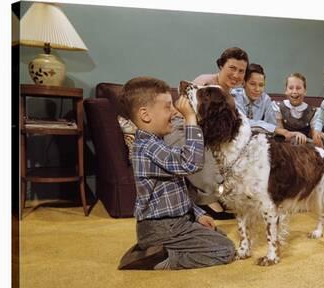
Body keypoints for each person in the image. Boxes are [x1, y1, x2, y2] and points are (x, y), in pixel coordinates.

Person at [117, 76, 235, 270]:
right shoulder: (147, 148)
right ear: (145, 115)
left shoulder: (157, 144)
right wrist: (190, 119)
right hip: (163, 228)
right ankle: (162, 258)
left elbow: (177, 192)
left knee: (218, 235)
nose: (174, 111)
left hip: (175, 222)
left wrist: (197, 215)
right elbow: (190, 163)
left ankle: (157, 248)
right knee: (225, 250)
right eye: (167, 107)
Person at [165, 47, 249, 220]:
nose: (236, 74)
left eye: (241, 71)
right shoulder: (204, 83)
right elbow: (189, 111)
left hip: (204, 129)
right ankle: (207, 199)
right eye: (232, 68)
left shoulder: (233, 94)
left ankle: (223, 194)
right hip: (182, 125)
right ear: (221, 66)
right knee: (204, 151)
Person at [271, 73, 324, 145]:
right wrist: (295, 134)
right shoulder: (278, 107)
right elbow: (280, 132)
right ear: (286, 91)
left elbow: (314, 134)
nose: (294, 91)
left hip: (304, 147)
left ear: (305, 91)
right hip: (284, 145)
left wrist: (318, 136)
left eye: (298, 88)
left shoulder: (313, 111)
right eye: (291, 88)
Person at [231, 63, 277, 134]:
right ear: (243, 83)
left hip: (259, 139)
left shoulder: (265, 99)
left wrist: (269, 128)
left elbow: (273, 126)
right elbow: (242, 123)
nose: (257, 89)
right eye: (252, 84)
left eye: (261, 85)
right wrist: (265, 126)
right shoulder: (235, 97)